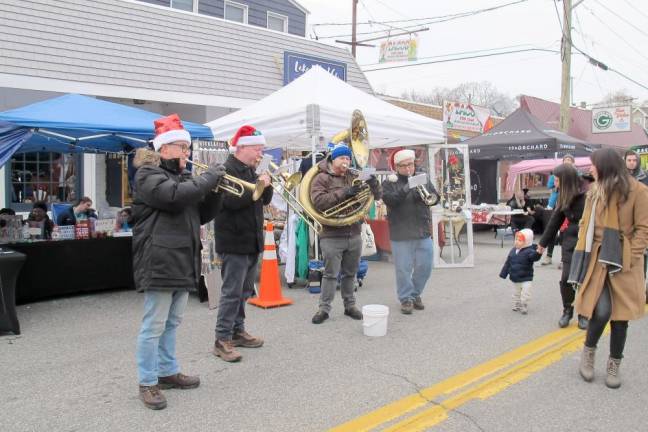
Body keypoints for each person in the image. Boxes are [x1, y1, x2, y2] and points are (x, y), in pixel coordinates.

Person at [132, 114, 226, 410]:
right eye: (181, 147)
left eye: (187, 147)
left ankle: (167, 371)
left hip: (182, 258)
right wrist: (208, 178)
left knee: (172, 322)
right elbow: (172, 197)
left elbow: (201, 214)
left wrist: (216, 191)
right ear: (163, 149)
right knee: (154, 324)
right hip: (159, 259)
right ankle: (147, 381)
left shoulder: (185, 179)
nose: (187, 153)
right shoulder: (148, 175)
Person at [570, 148, 648, 389]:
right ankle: (589, 352)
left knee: (621, 319)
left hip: (623, 260)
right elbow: (585, 222)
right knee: (601, 311)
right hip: (596, 257)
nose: (590, 169)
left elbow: (644, 228)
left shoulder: (639, 191)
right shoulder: (595, 191)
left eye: (593, 165)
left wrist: (632, 256)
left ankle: (614, 364)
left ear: (605, 166)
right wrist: (581, 253)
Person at [212, 125, 273, 363]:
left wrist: (267, 183)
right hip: (233, 240)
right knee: (231, 292)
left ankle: (237, 331)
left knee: (245, 291)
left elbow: (263, 200)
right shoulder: (225, 169)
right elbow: (229, 203)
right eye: (258, 149)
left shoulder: (251, 170)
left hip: (251, 239)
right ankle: (221, 339)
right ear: (243, 147)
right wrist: (257, 187)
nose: (260, 153)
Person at [310, 143, 382, 324]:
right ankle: (324, 309)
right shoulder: (321, 178)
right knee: (330, 274)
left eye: (348, 158)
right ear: (333, 159)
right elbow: (318, 202)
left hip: (354, 232)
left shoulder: (355, 175)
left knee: (351, 273)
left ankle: (350, 306)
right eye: (342, 158)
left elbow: (378, 196)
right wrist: (345, 192)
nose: (346, 161)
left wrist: (374, 184)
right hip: (331, 234)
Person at [382, 149, 439, 314]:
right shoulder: (389, 183)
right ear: (397, 166)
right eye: (404, 166)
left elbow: (434, 197)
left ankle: (415, 294)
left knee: (426, 266)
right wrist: (406, 188)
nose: (409, 168)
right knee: (403, 269)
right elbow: (390, 201)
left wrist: (429, 197)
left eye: (411, 164)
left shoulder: (423, 179)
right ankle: (406, 298)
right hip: (400, 233)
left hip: (422, 230)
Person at [536, 164, 588, 329]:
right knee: (566, 278)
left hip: (586, 239)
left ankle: (584, 314)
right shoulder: (562, 195)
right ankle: (567, 310)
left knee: (584, 279)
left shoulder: (587, 194)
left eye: (557, 180)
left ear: (565, 180)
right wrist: (542, 244)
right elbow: (555, 221)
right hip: (569, 240)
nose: (555, 183)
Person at [542, 154, 575, 266]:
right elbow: (549, 185)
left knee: (564, 233)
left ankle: (563, 259)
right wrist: (556, 183)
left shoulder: (575, 174)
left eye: (569, 160)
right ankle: (549, 256)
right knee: (552, 229)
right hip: (555, 205)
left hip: (568, 206)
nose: (567, 162)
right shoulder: (557, 173)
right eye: (565, 160)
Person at [499, 228, 542, 315]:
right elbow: (508, 262)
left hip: (526, 277)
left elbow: (534, 257)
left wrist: (538, 253)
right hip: (515, 277)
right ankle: (517, 303)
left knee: (526, 292)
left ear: (527, 242)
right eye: (516, 239)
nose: (516, 242)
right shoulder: (513, 251)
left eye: (520, 240)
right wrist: (503, 273)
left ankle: (524, 304)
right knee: (516, 292)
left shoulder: (530, 251)